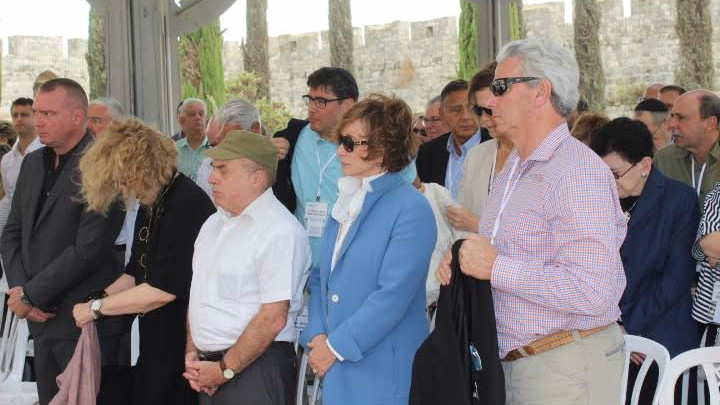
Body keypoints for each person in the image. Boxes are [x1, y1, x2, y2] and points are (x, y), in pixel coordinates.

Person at [437, 38, 627, 405]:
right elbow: (507, 251)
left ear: (540, 92)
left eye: (500, 88)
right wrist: (463, 257)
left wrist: (495, 268)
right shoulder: (516, 168)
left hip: (564, 369)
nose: (488, 101)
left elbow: (593, 289)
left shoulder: (576, 173)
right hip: (519, 366)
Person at [301, 94, 436, 405]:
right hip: (338, 361)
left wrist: (335, 346)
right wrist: (318, 335)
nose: (339, 151)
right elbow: (323, 276)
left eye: (349, 143)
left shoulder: (411, 209)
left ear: (382, 150)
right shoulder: (348, 197)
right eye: (341, 140)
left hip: (382, 368)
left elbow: (393, 294)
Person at [0, 78, 126, 405]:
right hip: (40, 322)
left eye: (49, 113)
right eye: (37, 112)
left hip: (83, 321)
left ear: (77, 117)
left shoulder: (103, 165)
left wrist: (31, 294)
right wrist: (21, 292)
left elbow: (89, 249)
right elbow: (12, 232)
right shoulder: (31, 163)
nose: (38, 121)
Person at [72, 118, 215, 405]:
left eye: (124, 179)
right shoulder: (152, 202)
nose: (123, 189)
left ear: (142, 168)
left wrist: (97, 309)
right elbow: (135, 271)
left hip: (184, 340)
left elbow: (162, 290)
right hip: (155, 337)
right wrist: (97, 298)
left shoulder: (185, 202)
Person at [184, 130, 310, 405]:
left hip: (257, 369)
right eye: (214, 168)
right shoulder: (212, 224)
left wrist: (223, 370)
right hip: (211, 370)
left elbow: (273, 318)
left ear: (257, 177)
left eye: (223, 169)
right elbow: (200, 294)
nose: (211, 177)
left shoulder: (280, 231)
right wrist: (193, 352)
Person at [591, 117, 701, 405]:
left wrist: (631, 326)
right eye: (600, 173)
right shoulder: (596, 198)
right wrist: (612, 323)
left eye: (615, 173)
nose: (608, 182)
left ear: (645, 166)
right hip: (606, 331)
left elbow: (676, 277)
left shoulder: (679, 199)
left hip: (662, 330)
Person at [272, 67, 416, 267]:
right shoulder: (296, 136)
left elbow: (413, 189)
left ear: (348, 104)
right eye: (310, 99)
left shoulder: (377, 147)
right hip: (302, 263)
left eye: (321, 101)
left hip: (353, 263)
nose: (312, 108)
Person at [448, 61, 514, 235]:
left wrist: (479, 225)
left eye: (490, 110)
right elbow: (461, 223)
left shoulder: (538, 156)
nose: (484, 120)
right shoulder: (476, 155)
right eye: (478, 110)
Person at [416, 79, 485, 198]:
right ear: (442, 114)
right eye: (456, 110)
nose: (466, 116)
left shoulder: (498, 146)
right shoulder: (428, 153)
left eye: (472, 108)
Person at [654, 90, 720, 207]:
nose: (671, 125)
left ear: (711, 123)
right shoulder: (664, 159)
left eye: (681, 118)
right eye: (672, 116)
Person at [0, 98, 43, 239]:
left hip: (42, 228)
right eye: (15, 115)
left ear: (36, 117)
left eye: (24, 115)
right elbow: (10, 198)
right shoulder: (7, 160)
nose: (18, 119)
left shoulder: (47, 153)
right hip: (18, 231)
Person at [175, 98, 210, 181]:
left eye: (201, 114)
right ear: (182, 120)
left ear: (206, 118)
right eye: (192, 114)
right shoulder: (173, 150)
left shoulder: (216, 148)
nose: (198, 117)